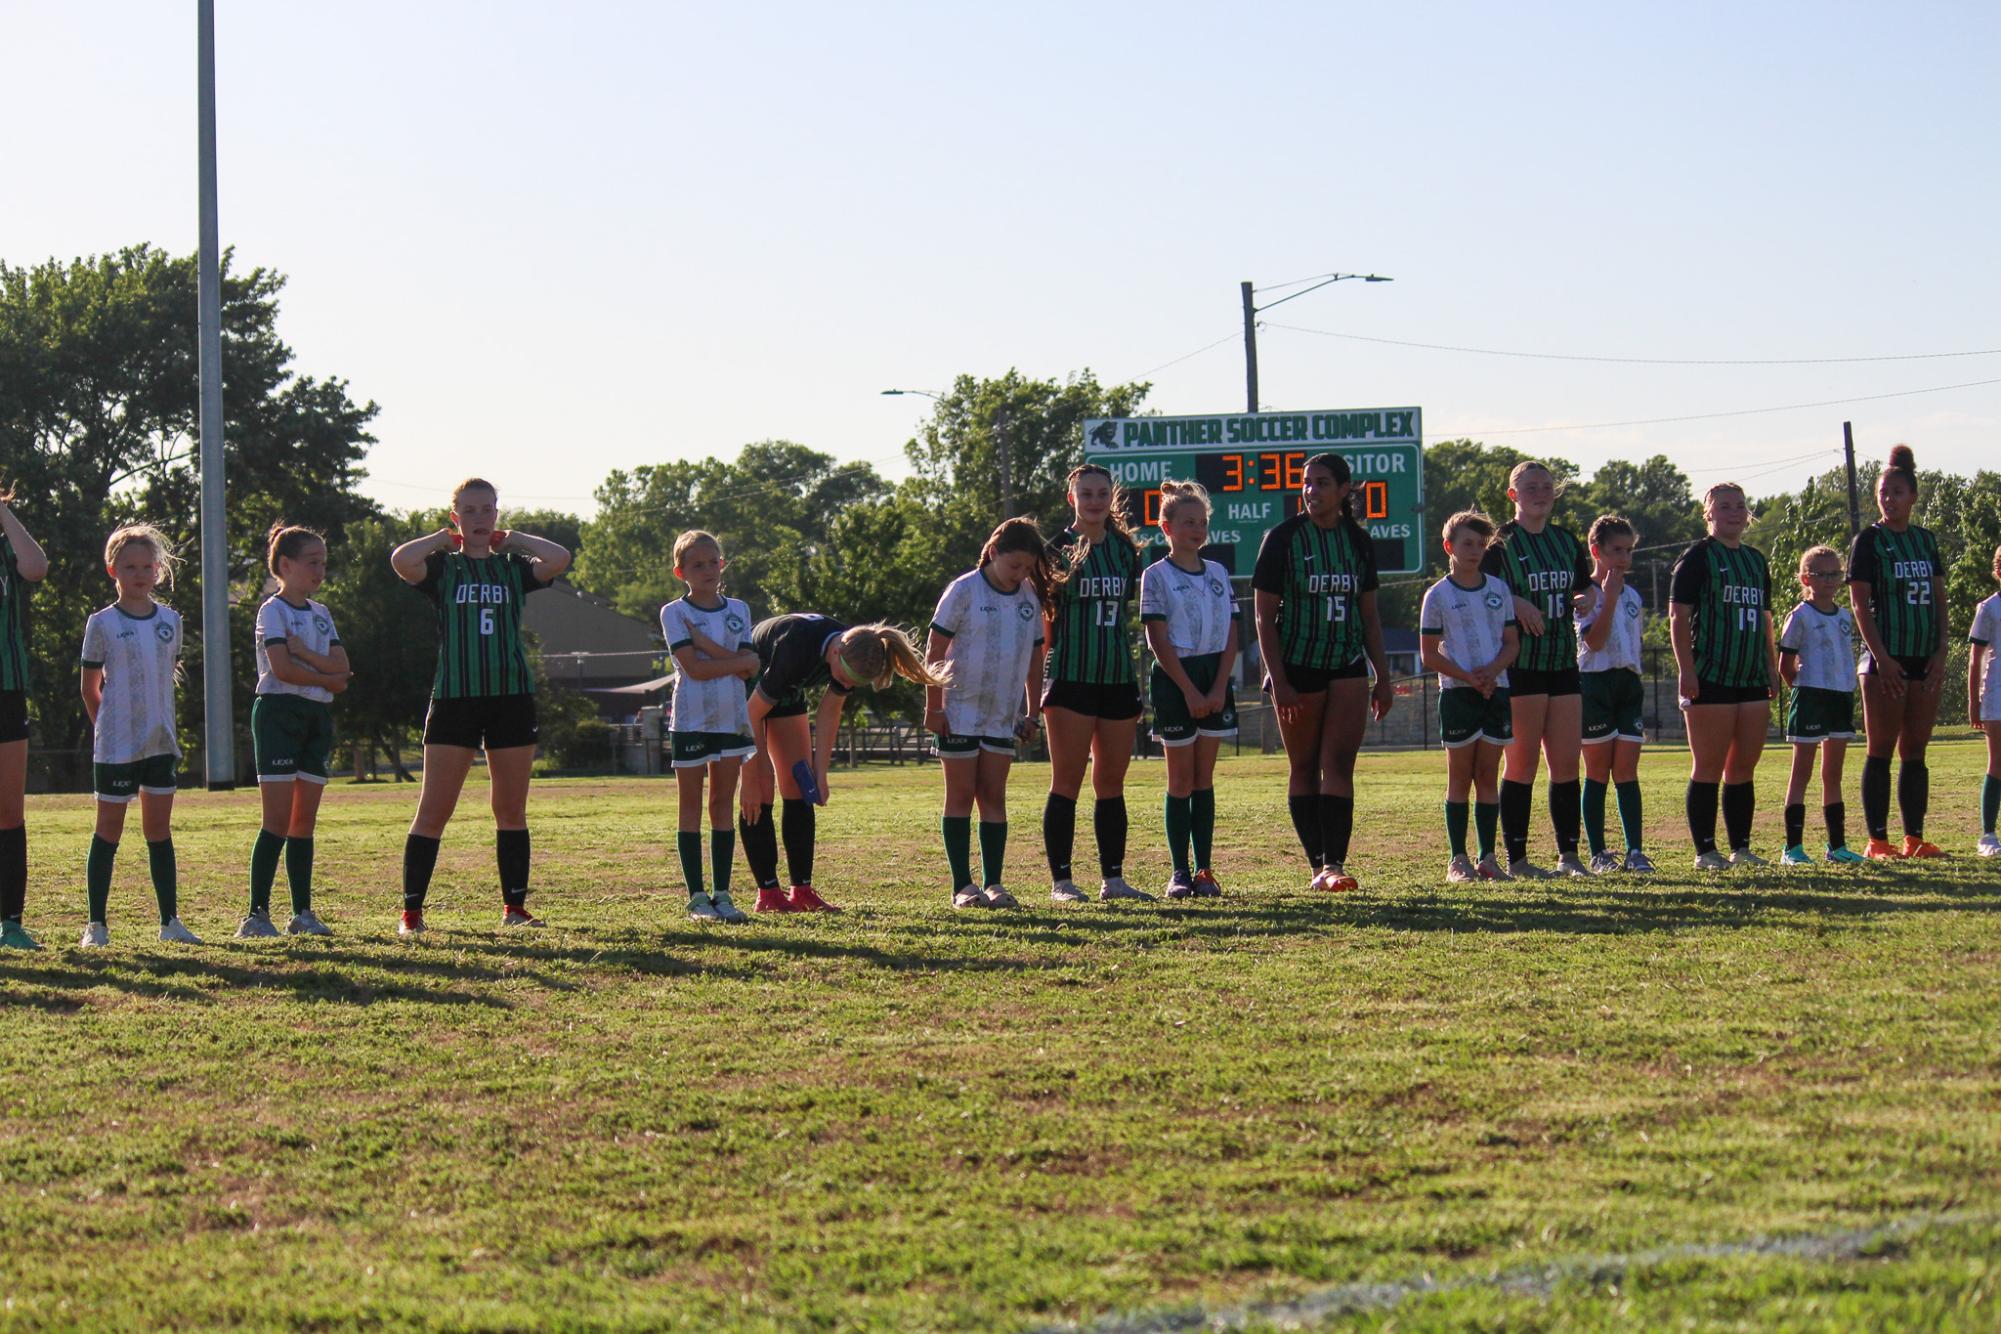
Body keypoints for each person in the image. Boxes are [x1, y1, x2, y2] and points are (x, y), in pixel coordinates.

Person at [390, 478, 571, 934]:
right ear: (456, 517)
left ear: (496, 513)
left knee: (510, 809)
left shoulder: (512, 567)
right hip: (456, 698)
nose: (478, 519)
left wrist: (516, 539)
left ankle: (514, 908)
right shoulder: (443, 569)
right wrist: (440, 538)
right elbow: (401, 561)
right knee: (434, 810)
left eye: (486, 510)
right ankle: (412, 913)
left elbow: (559, 559)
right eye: (468, 511)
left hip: (509, 697)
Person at [1253, 452, 1394, 893]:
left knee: (1339, 764)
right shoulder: (1283, 537)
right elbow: (1263, 617)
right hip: (1297, 665)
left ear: (1344, 489)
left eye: (1323, 482)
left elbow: (1369, 615)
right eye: (1307, 482)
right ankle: (1317, 865)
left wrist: (1384, 676)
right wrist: (1279, 679)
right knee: (1305, 765)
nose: (1312, 490)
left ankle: (1334, 863)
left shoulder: (1358, 541)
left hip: (1347, 664)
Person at [740, 614, 946, 912]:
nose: (846, 685)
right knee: (759, 791)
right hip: (752, 682)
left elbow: (829, 712)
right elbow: (750, 715)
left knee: (800, 786)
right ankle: (768, 894)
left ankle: (801, 889)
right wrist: (747, 778)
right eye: (846, 677)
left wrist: (820, 775)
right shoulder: (795, 648)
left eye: (854, 683)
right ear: (835, 652)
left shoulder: (856, 650)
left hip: (788, 687)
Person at [78, 525, 198, 946]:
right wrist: (107, 729)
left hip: (159, 743)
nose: (139, 573)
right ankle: (96, 925)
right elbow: (90, 687)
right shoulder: (102, 623)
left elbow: (165, 675)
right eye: (129, 566)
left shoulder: (170, 621)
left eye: (147, 566)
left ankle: (170, 922)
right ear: (113, 570)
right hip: (115, 747)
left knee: (159, 832)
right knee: (107, 832)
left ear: (158, 570)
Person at [925, 518, 1051, 909]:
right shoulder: (963, 591)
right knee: (961, 795)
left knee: (993, 796)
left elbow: (1034, 657)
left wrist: (1031, 711)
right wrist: (934, 708)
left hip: (1000, 715)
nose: (1021, 574)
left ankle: (994, 883)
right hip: (959, 712)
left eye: (1027, 568)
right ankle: (962, 886)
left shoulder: (1028, 598)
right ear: (994, 552)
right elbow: (933, 653)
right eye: (1015, 565)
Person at [1481, 460, 1597, 878]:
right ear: (1513, 495)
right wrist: (1516, 602)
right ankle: (1518, 859)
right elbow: (1482, 591)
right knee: (1522, 763)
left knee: (1567, 762)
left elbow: (1587, 585)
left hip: (1562, 661)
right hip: (1520, 665)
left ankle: (1569, 856)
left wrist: (1590, 596)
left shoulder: (1565, 540)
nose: (1541, 492)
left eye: (1547, 486)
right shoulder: (1498, 544)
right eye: (1530, 486)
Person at [1041, 464, 1149, 903]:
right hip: (1071, 676)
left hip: (1117, 676)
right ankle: (1062, 882)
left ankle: (1114, 879)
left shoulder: (1125, 550)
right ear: (1072, 498)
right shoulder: (1056, 550)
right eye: (1085, 493)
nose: (1094, 500)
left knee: (1112, 783)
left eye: (1102, 492)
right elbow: (1047, 621)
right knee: (1066, 780)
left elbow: (1123, 612)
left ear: (1112, 496)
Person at [240, 523, 350, 938]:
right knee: (277, 819)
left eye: (323, 563)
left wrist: (306, 656)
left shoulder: (322, 615)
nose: (319, 571)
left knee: (304, 822)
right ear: (285, 565)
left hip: (316, 718)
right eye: (311, 562)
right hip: (278, 715)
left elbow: (343, 675)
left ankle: (302, 913)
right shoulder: (272, 611)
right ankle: (256, 914)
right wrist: (321, 672)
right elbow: (281, 670)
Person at [1670, 482, 1779, 870]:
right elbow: (1678, 617)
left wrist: (1771, 665)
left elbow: (1765, 620)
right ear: (1709, 513)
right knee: (1709, 766)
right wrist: (1687, 669)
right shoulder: (1697, 557)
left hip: (1750, 675)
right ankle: (1706, 852)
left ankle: (1742, 848)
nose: (1734, 512)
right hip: (1711, 673)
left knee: (1743, 766)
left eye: (1740, 506)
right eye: (1724, 506)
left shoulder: (1755, 560)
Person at [1848, 444, 1949, 860]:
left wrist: (1942, 650)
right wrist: (1882, 657)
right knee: (1881, 748)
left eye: (1897, 491)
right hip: (1883, 661)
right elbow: (1859, 603)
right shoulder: (1870, 541)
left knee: (1916, 751)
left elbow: (1940, 600)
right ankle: (1877, 840)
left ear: (1913, 496)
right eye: (1884, 492)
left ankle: (1914, 838)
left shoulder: (1925, 541)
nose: (1889, 498)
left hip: (1923, 658)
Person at [1139, 482, 1240, 899]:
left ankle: (1204, 870)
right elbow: (1157, 640)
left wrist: (1217, 686)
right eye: (1187, 522)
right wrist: (1190, 691)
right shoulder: (1155, 575)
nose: (1196, 530)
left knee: (1204, 778)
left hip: (1214, 677)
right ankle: (1179, 872)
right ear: (1166, 526)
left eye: (1202, 522)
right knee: (1180, 780)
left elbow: (1234, 632)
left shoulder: (1218, 572)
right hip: (1175, 679)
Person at [660, 531, 759, 923]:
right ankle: (696, 897)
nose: (706, 570)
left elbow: (751, 665)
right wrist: (731, 660)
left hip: (731, 719)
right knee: (691, 805)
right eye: (696, 564)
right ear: (680, 571)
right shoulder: (674, 612)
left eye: (712, 562)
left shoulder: (739, 609)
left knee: (721, 804)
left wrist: (705, 643)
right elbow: (695, 670)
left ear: (722, 564)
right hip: (690, 720)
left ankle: (722, 894)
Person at [1418, 511, 1518, 883]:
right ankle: (1457, 860)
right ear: (1449, 547)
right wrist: (1469, 677)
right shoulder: (1438, 595)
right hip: (1459, 695)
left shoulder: (1498, 590)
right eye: (1467, 543)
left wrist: (1491, 673)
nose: (1475, 550)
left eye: (1481, 544)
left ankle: (1488, 858)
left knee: (1488, 774)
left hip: (1496, 691)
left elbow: (1511, 643)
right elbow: (1429, 653)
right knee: (1460, 776)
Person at [1577, 515, 1655, 874]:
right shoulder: (1586, 594)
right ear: (1596, 551)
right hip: (1594, 684)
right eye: (1615, 551)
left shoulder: (1634, 597)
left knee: (1627, 770)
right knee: (1597, 772)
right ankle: (1598, 853)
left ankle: (1635, 851)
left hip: (1627, 684)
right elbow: (1593, 641)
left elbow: (1632, 644)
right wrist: (1606, 599)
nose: (1623, 558)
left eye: (1629, 551)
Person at [1778, 545, 1866, 866]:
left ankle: (1837, 846)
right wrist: (1802, 686)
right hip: (1811, 697)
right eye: (1822, 574)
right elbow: (1785, 664)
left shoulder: (1844, 616)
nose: (1830, 580)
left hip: (1840, 697)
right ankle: (1793, 848)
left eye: (1835, 574)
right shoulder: (1800, 615)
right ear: (1806, 578)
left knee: (1833, 774)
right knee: (1801, 772)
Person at [0, 487, 49, 949]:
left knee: (9, 813)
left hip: (6, 689)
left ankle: (10, 923)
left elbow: (36, 568)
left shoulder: (6, 548)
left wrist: (3, 511)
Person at [1967, 544, 2001, 857]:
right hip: (1996, 694)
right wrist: (1973, 701)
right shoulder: (1989, 608)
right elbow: (1975, 658)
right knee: (1998, 762)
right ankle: (1988, 835)